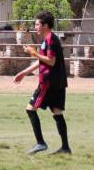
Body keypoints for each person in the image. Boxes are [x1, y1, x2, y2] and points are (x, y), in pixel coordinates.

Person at [13, 11, 71, 155]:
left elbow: (51, 61)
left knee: (30, 109)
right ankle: (65, 148)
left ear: (45, 25)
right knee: (57, 112)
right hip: (58, 82)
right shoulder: (48, 39)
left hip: (48, 83)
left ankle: (40, 143)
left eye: (37, 24)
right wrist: (24, 72)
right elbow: (43, 60)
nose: (35, 27)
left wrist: (33, 53)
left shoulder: (50, 39)